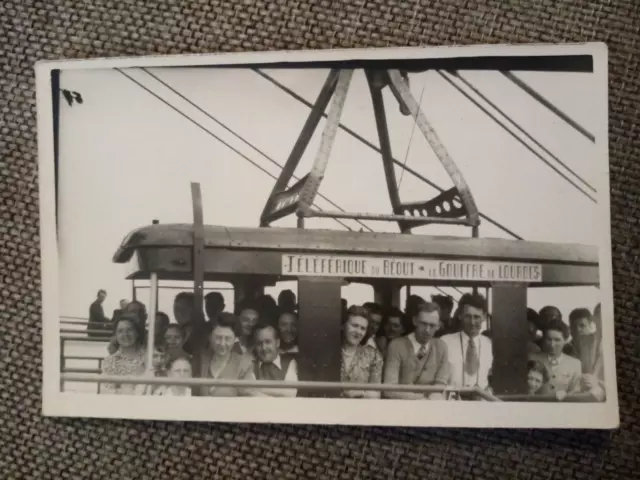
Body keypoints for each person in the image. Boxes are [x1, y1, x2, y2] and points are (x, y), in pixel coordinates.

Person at [383, 302, 450, 400]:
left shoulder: (442, 348)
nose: (427, 330)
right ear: (415, 321)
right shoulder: (396, 345)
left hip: (431, 407)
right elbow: (389, 389)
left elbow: (440, 384)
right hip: (401, 407)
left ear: (438, 326)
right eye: (423, 324)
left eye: (432, 325)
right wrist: (420, 399)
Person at [441, 293, 493, 391]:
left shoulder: (490, 345)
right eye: (468, 316)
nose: (472, 322)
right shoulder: (445, 342)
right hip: (452, 401)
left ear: (484, 317)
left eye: (476, 317)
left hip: (482, 402)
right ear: (460, 316)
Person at [198, 319, 255, 397]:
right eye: (218, 338)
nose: (222, 343)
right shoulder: (201, 359)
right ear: (210, 337)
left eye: (227, 339)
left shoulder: (244, 365)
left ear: (235, 339)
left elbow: (248, 395)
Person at [529, 319, 582, 399]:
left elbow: (575, 392)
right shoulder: (531, 358)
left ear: (566, 340)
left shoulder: (575, 364)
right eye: (548, 339)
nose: (552, 344)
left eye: (557, 340)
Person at [340, 306, 383, 399]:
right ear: (344, 325)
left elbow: (376, 393)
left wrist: (362, 393)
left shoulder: (373, 355)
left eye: (363, 328)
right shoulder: (329, 350)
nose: (358, 331)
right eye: (354, 325)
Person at [100, 314, 147, 395]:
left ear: (137, 333)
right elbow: (109, 392)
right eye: (120, 331)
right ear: (116, 336)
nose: (125, 334)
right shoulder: (110, 361)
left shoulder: (149, 356)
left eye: (129, 330)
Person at [252, 324, 298, 397]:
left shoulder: (289, 362)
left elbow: (290, 393)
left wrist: (258, 389)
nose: (264, 347)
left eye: (268, 342)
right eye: (259, 343)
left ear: (277, 343)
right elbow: (249, 392)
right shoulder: (251, 364)